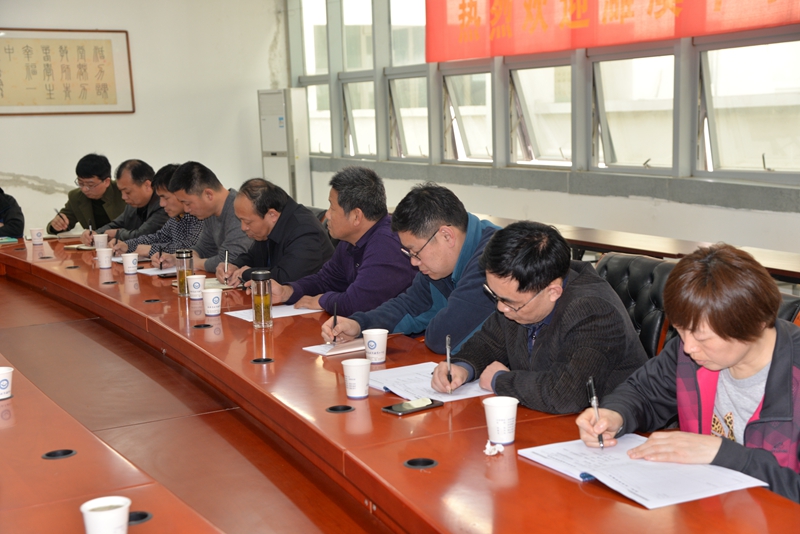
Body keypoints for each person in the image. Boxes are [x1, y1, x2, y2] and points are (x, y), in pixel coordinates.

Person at [576, 244, 800, 503]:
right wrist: (615, 415)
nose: (688, 347)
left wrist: (724, 454)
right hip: (704, 504)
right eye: (681, 331)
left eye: (702, 338)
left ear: (756, 323)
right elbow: (643, 392)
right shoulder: (690, 353)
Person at [431, 221, 647, 412]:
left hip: (604, 431)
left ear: (553, 292)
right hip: (541, 419)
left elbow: (566, 394)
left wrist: (500, 380)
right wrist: (463, 367)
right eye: (494, 295)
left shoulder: (592, 311)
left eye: (508, 301)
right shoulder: (520, 297)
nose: (500, 307)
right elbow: (488, 342)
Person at [322, 182, 500, 354]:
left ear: (446, 236)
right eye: (409, 253)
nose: (413, 262)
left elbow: (442, 339)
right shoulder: (439, 266)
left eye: (416, 252)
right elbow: (409, 305)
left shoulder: (495, 259)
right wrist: (359, 325)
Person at [271, 167, 417, 316]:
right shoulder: (350, 240)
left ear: (356, 216)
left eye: (332, 208)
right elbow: (326, 280)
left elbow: (358, 303)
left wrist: (323, 300)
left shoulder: (387, 244)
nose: (327, 214)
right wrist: (287, 291)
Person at [216, 178, 333, 285]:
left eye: (247, 222)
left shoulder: (304, 230)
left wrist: (247, 273)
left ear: (272, 215)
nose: (243, 227)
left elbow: (288, 277)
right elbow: (254, 257)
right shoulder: (269, 226)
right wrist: (235, 266)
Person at [155, 161, 251, 273]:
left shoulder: (238, 210)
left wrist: (194, 262)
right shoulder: (210, 213)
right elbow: (202, 249)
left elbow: (229, 261)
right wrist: (176, 258)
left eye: (188, 203)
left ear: (208, 195)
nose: (186, 210)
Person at [111, 164, 204, 257]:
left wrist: (152, 249)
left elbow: (192, 247)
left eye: (165, 198)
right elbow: (158, 237)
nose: (161, 204)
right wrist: (127, 245)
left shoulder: (201, 215)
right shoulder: (177, 217)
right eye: (160, 198)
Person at [80, 159, 169, 245]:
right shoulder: (133, 205)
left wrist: (118, 234)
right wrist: (94, 234)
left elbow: (143, 236)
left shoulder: (164, 205)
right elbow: (115, 224)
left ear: (147, 185)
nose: (123, 197)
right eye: (121, 192)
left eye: (127, 192)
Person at [47, 154, 126, 235]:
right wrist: (56, 225)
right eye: (80, 183)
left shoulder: (124, 191)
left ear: (106, 182)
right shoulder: (76, 197)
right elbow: (64, 221)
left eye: (90, 185)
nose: (84, 189)